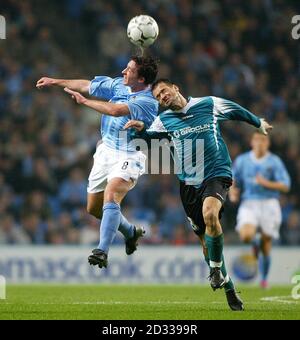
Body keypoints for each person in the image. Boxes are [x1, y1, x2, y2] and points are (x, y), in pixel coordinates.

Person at [124, 78, 273, 311]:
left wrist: (257, 122)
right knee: (206, 243)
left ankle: (215, 270)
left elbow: (235, 110)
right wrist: (138, 131)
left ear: (175, 87)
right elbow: (147, 139)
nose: (162, 97)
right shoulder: (163, 120)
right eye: (158, 97)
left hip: (216, 173)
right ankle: (228, 286)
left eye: (163, 91)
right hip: (188, 184)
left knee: (210, 213)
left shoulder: (208, 104)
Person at [36, 56, 159, 268]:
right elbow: (86, 85)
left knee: (112, 195)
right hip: (106, 151)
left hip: (129, 154)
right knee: (94, 209)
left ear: (141, 78)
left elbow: (116, 110)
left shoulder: (148, 100)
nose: (123, 71)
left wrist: (84, 103)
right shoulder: (118, 84)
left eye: (129, 70)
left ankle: (102, 250)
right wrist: (55, 81)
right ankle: (131, 232)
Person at [230, 131, 290, 288]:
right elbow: (232, 180)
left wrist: (266, 183)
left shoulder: (274, 162)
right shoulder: (242, 160)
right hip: (249, 203)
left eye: (263, 140)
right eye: (257, 139)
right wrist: (233, 192)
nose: (260, 143)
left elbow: (285, 185)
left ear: (268, 143)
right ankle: (254, 243)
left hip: (270, 204)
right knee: (246, 236)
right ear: (252, 142)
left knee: (266, 245)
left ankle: (263, 279)